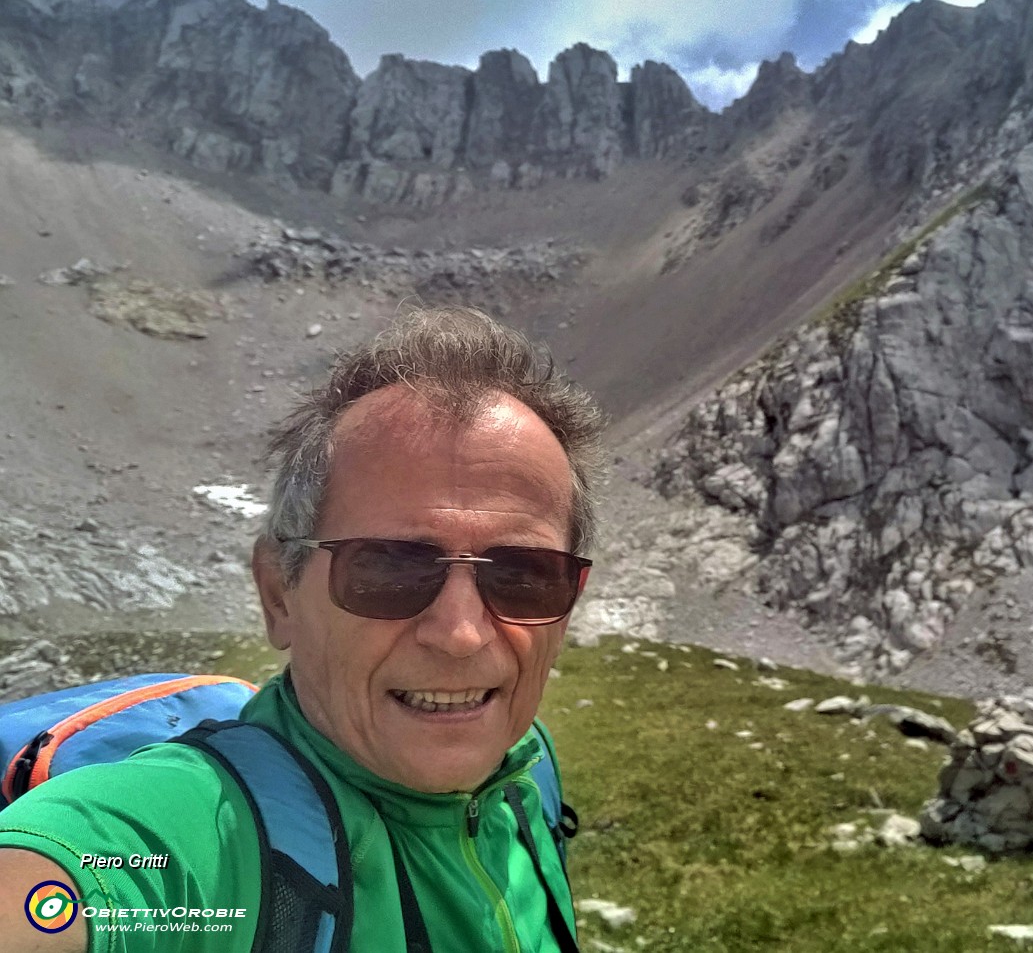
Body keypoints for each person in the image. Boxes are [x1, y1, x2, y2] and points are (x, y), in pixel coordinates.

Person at [0, 306, 607, 951]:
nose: (460, 633)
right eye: (389, 568)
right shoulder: (186, 830)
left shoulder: (525, 773)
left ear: (570, 597)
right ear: (277, 593)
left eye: (524, 575)